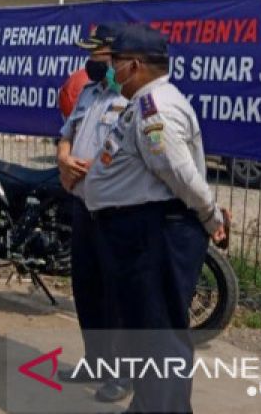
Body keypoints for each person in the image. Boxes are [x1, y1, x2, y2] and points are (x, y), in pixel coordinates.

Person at [86, 24, 232, 414]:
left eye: (115, 62)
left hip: (157, 234)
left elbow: (180, 173)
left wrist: (211, 214)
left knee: (158, 333)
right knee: (143, 331)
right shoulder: (142, 103)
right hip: (139, 234)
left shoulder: (157, 110)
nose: (110, 69)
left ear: (134, 65)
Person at [54, 23, 132, 404]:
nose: (90, 63)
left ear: (116, 58)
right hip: (83, 204)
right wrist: (64, 157)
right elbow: (66, 131)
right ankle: (95, 361)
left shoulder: (133, 101)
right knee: (86, 288)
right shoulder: (88, 92)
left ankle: (122, 373)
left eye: (96, 56)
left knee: (116, 294)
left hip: (116, 211)